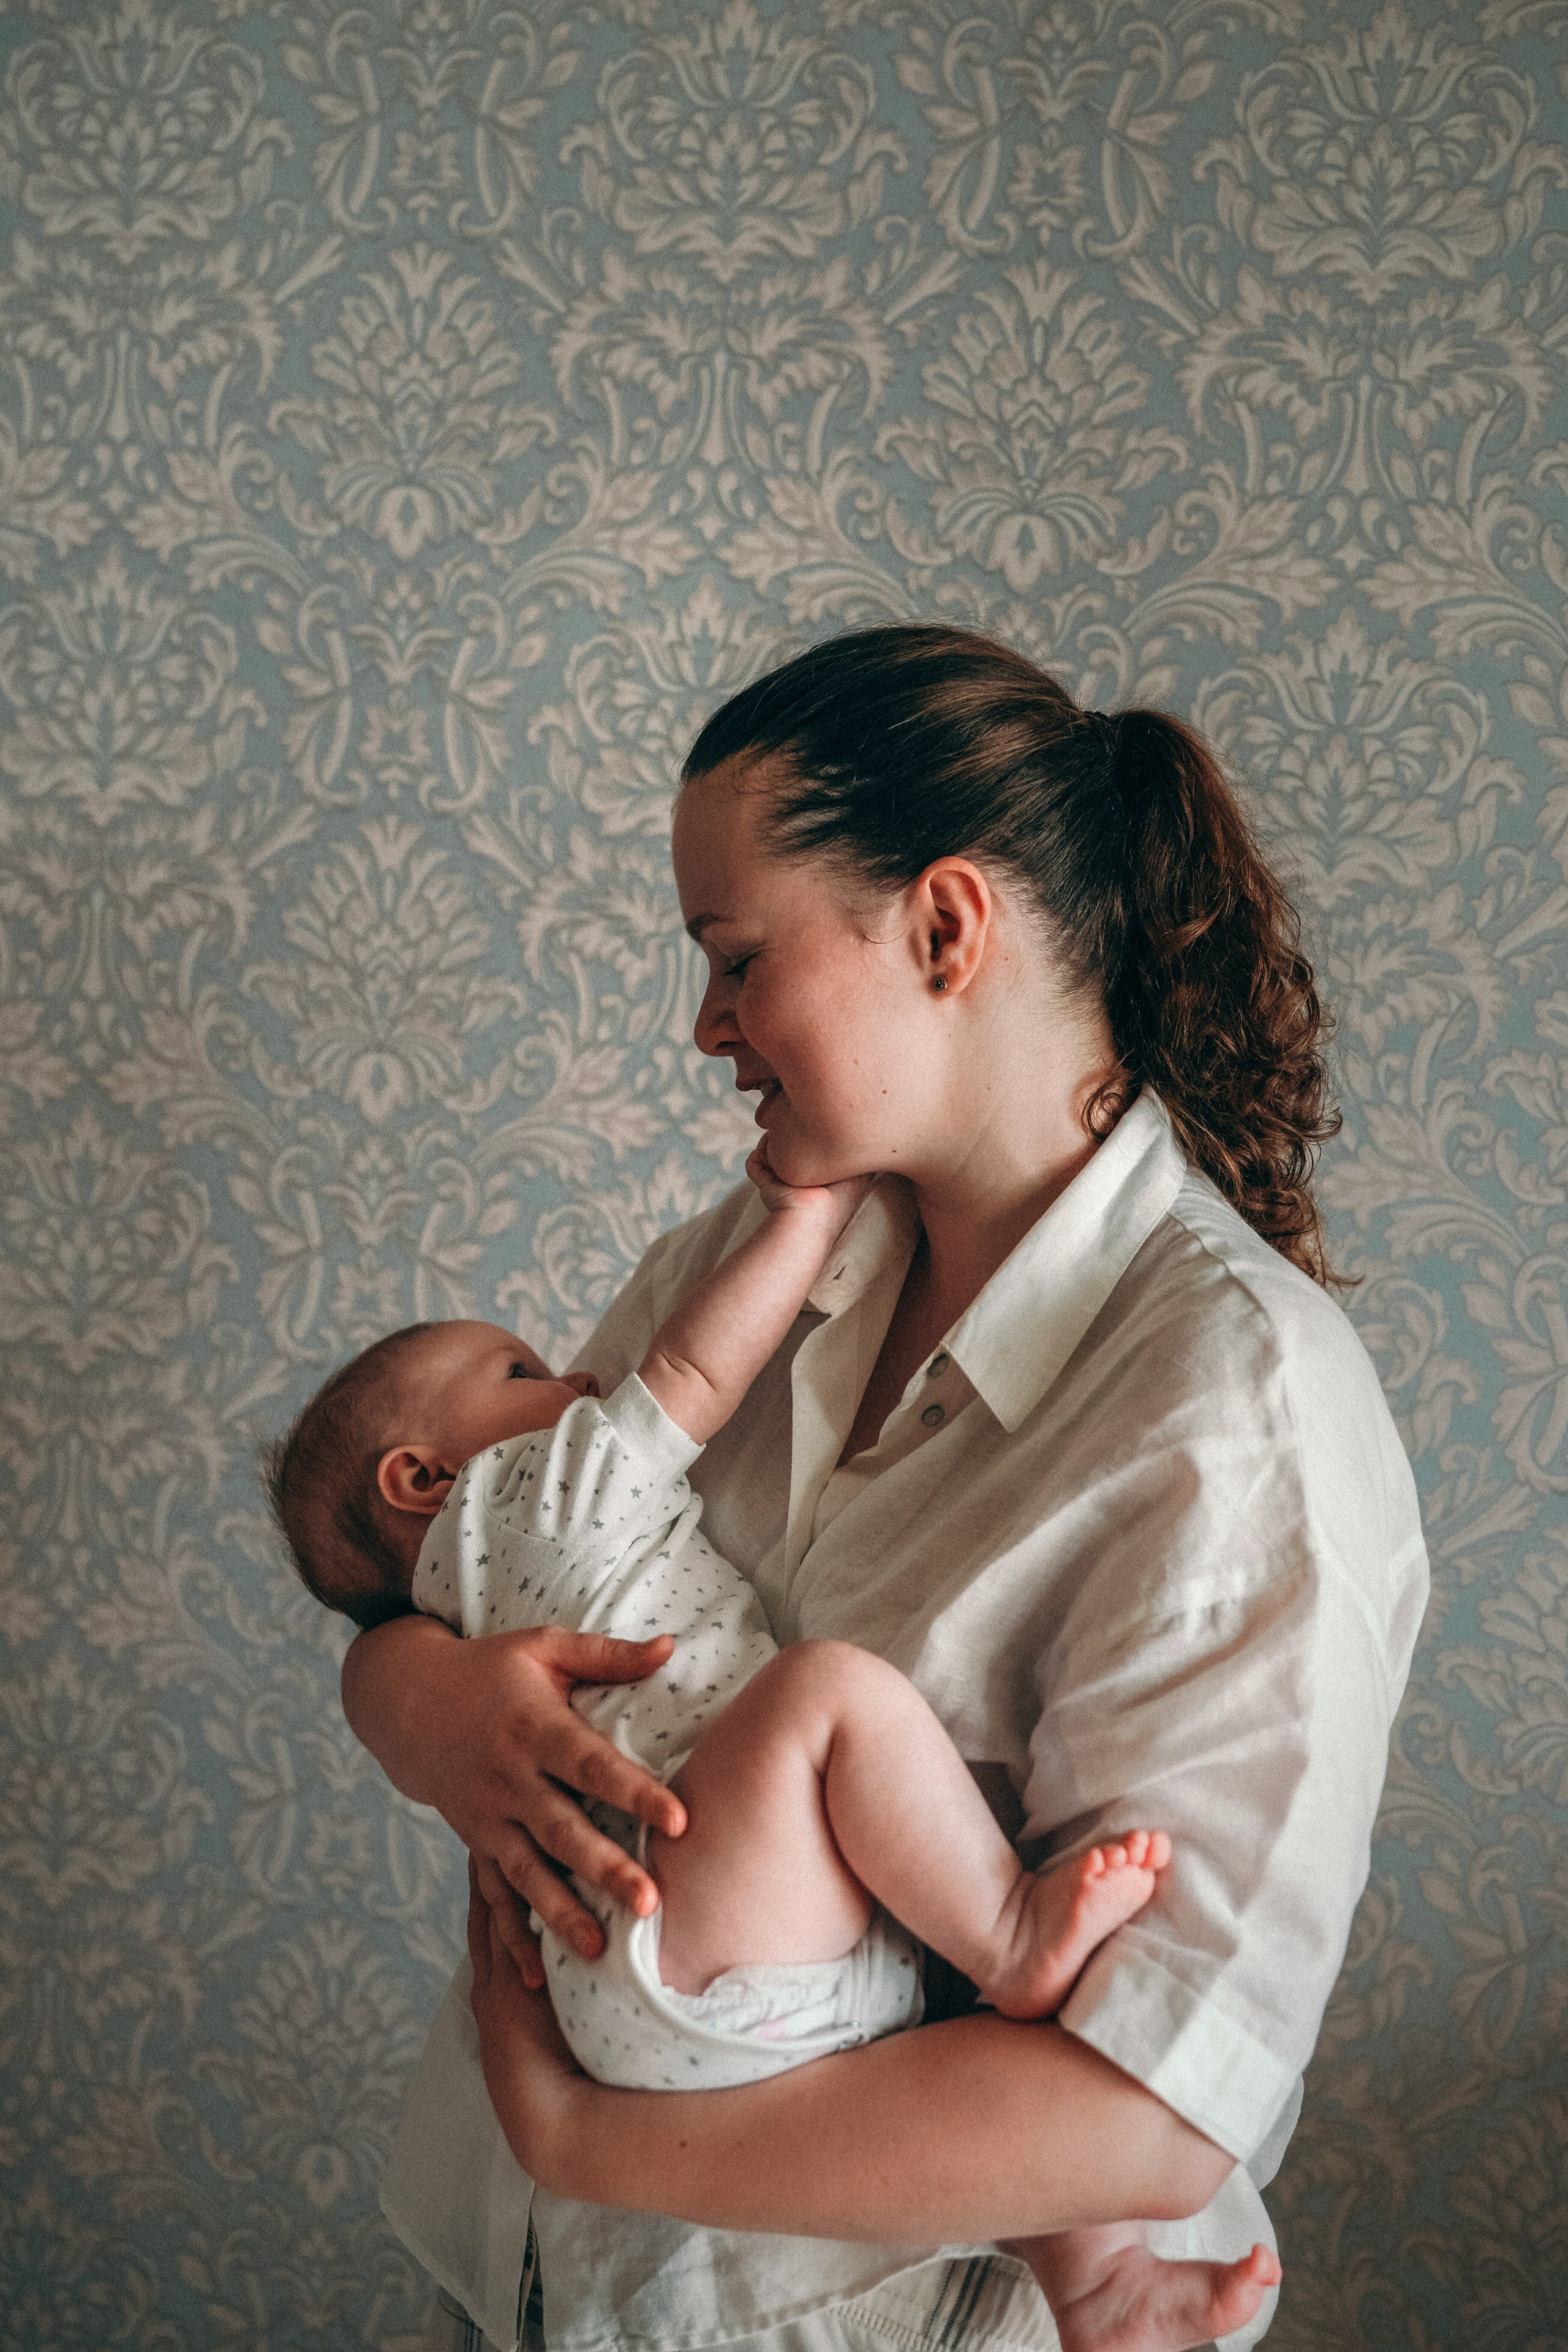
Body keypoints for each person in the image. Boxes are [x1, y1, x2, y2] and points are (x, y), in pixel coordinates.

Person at [340, 627, 1429, 2352]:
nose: (706, 1027)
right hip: (558, 2288)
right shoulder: (759, 1252)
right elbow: (486, 1548)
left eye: (734, 956)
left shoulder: (1237, 1412)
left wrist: (588, 2134)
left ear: (942, 926)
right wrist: (413, 1704)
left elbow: (1151, 2109)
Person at [266, 1145, 1269, 2350]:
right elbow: (691, 1364)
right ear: (424, 1476)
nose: (576, 1370)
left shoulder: (453, 1606)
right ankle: (1013, 1940)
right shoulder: (537, 1486)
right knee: (829, 1694)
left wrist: (398, 1684)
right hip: (690, 1913)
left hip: (637, 1982)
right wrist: (800, 1227)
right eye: (518, 1368)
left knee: (940, 1996)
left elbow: (387, 1658)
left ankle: (1099, 2286)